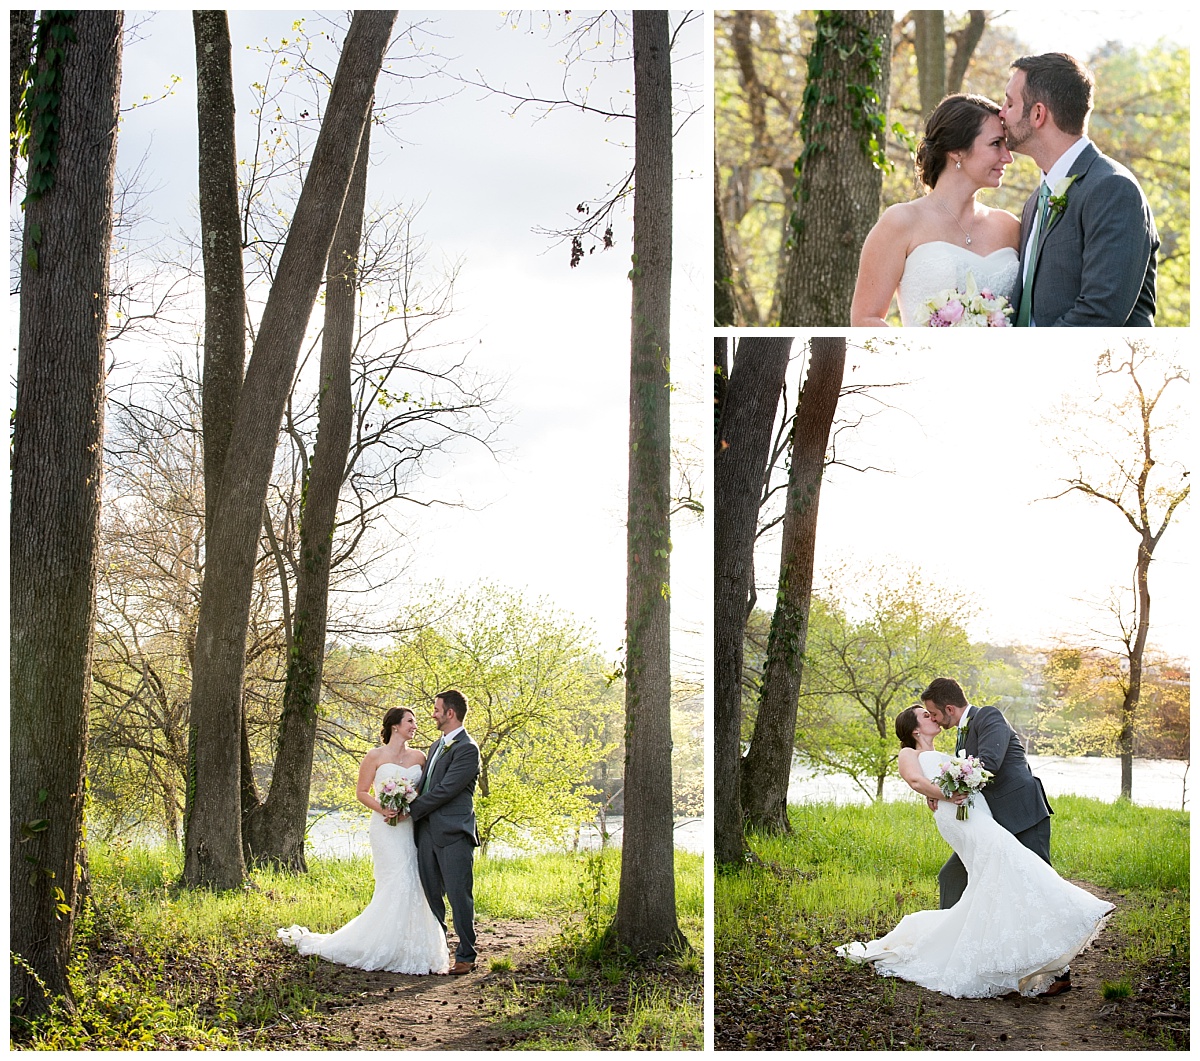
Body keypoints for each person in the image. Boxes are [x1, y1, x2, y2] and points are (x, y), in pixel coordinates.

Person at [836, 700, 1112, 999]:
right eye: (926, 716)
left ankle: (1022, 957)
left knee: (1001, 875)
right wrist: (945, 794)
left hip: (975, 814)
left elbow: (964, 775)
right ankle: (1061, 924)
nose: (933, 719)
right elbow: (916, 780)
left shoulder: (952, 744)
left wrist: (949, 789)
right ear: (915, 728)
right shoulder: (908, 752)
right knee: (1009, 864)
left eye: (933, 712)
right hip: (959, 818)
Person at [278, 707, 450, 974]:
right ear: (395, 726)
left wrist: (408, 806)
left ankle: (410, 945)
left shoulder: (420, 756)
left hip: (409, 825)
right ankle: (379, 942)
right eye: (410, 721)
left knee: (414, 879)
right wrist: (385, 809)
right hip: (384, 826)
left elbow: (420, 789)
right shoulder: (375, 756)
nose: (415, 725)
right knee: (395, 879)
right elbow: (361, 792)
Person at [999, 52, 1158, 326]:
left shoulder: (1113, 189)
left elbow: (1100, 314)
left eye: (1010, 103)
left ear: (1038, 114)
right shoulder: (1035, 201)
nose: (1001, 112)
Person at [850, 94, 1020, 326]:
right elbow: (864, 319)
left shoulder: (1010, 227)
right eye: (996, 144)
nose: (1008, 157)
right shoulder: (901, 221)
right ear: (956, 151)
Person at [408, 689, 481, 975]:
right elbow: (426, 785)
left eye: (437, 709)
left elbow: (446, 790)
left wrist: (410, 808)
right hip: (426, 831)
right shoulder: (435, 745)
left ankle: (466, 955)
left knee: (458, 894)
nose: (433, 714)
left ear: (450, 713)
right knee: (431, 895)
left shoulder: (467, 748)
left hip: (452, 833)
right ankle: (438, 951)